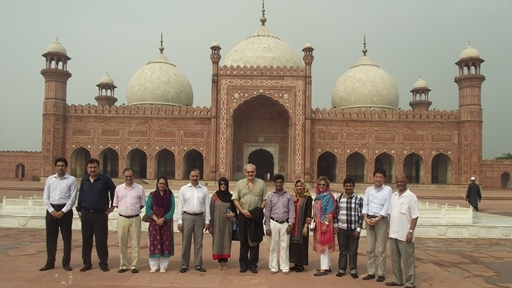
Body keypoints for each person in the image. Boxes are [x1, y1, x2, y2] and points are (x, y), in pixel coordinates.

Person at [76, 158, 116, 272]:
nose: (92, 169)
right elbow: (81, 195)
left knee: (101, 240)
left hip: (100, 214)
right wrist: (79, 209)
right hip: (86, 214)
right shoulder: (84, 180)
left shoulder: (105, 180)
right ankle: (87, 263)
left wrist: (113, 206)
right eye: (90, 167)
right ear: (87, 168)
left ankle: (103, 263)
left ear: (98, 168)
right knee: (86, 240)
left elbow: (114, 191)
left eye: (94, 167)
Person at [40, 157, 78, 272]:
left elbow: (73, 198)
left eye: (62, 165)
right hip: (51, 210)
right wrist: (51, 210)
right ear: (55, 167)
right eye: (58, 165)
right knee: (51, 238)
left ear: (66, 167)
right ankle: (50, 262)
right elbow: (45, 196)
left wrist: (63, 211)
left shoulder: (71, 180)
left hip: (65, 211)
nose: (60, 167)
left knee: (66, 238)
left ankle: (66, 263)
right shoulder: (50, 180)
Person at [232, 163, 267, 274]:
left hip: (255, 216)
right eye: (248, 172)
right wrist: (242, 211)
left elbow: (264, 199)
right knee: (243, 240)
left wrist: (258, 211)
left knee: (255, 240)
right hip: (243, 215)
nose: (250, 173)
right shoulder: (240, 184)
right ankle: (243, 264)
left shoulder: (261, 183)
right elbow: (235, 199)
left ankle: (253, 264)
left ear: (255, 172)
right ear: (245, 172)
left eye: (252, 172)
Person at [386, 173, 419, 288]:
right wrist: (388, 229)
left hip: (405, 234)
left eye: (401, 182)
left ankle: (410, 283)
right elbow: (391, 214)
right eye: (398, 182)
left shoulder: (411, 197)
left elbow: (415, 216)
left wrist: (410, 231)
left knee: (407, 260)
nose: (399, 183)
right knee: (395, 259)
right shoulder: (394, 196)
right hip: (393, 233)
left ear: (406, 182)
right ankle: (397, 279)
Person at [177, 168, 210, 273]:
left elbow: (206, 206)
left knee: (198, 242)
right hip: (187, 217)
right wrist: (179, 221)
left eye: (196, 176)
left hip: (200, 217)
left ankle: (198, 264)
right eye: (193, 176)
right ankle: (184, 264)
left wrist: (207, 221)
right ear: (189, 177)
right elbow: (180, 206)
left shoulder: (204, 189)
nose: (195, 178)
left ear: (199, 176)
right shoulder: (183, 189)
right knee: (186, 242)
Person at [362, 168, 392, 282]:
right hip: (369, 219)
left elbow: (387, 205)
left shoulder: (388, 190)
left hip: (381, 221)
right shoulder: (369, 190)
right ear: (373, 177)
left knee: (381, 249)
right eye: (377, 177)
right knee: (369, 249)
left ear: (384, 178)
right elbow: (365, 204)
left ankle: (381, 273)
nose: (378, 179)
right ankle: (371, 272)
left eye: (381, 177)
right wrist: (365, 218)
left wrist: (378, 219)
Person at [113, 168, 146, 273]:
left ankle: (134, 265)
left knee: (135, 242)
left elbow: (142, 204)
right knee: (122, 242)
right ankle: (123, 265)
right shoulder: (118, 189)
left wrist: (133, 211)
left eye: (130, 176)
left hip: (135, 218)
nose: (128, 178)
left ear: (133, 176)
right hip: (122, 218)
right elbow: (116, 203)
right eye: (126, 176)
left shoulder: (139, 188)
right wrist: (125, 212)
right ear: (123, 176)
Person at [265, 174, 295, 275]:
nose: (279, 184)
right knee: (273, 246)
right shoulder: (270, 196)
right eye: (277, 182)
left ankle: (285, 267)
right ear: (274, 183)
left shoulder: (288, 196)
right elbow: (267, 212)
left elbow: (292, 211)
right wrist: (267, 226)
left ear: (283, 183)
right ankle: (273, 267)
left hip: (285, 223)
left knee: (285, 246)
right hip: (274, 222)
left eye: (280, 182)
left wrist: (290, 224)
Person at [334, 177, 363, 278]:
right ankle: (342, 269)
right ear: (344, 186)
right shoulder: (339, 198)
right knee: (343, 250)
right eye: (347, 186)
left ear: (353, 186)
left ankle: (353, 269)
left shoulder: (358, 199)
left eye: (350, 186)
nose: (348, 187)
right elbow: (336, 212)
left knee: (353, 250)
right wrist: (336, 224)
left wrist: (359, 228)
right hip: (342, 228)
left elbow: (361, 215)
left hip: (353, 229)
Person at [145, 176, 175, 273]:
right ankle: (153, 266)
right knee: (154, 242)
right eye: (160, 183)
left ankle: (163, 266)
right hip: (155, 223)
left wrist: (164, 219)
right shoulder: (152, 195)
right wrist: (156, 219)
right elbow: (148, 209)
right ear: (157, 184)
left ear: (166, 185)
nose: (162, 185)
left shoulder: (170, 195)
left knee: (165, 242)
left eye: (163, 183)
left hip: (166, 223)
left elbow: (172, 209)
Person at [208, 177, 237, 270]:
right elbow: (211, 211)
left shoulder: (231, 197)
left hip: (227, 224)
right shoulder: (215, 196)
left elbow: (235, 211)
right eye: (221, 184)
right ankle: (219, 262)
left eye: (224, 184)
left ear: (227, 185)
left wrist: (233, 215)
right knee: (218, 241)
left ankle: (225, 262)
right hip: (217, 223)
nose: (223, 186)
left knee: (226, 242)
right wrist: (210, 225)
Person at [312, 176, 336, 276]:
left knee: (323, 245)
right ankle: (328, 265)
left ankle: (324, 268)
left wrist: (325, 224)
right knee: (324, 245)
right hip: (319, 223)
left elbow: (330, 212)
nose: (321, 186)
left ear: (327, 186)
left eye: (323, 185)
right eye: (320, 184)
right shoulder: (319, 196)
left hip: (325, 223)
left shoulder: (328, 197)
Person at [289, 179, 312, 273]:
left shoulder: (308, 198)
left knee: (302, 244)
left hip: (302, 225)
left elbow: (308, 212)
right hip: (293, 225)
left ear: (304, 187)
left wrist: (306, 226)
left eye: (300, 186)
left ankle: (301, 264)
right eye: (297, 186)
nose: (299, 188)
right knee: (293, 244)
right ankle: (295, 263)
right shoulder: (292, 197)